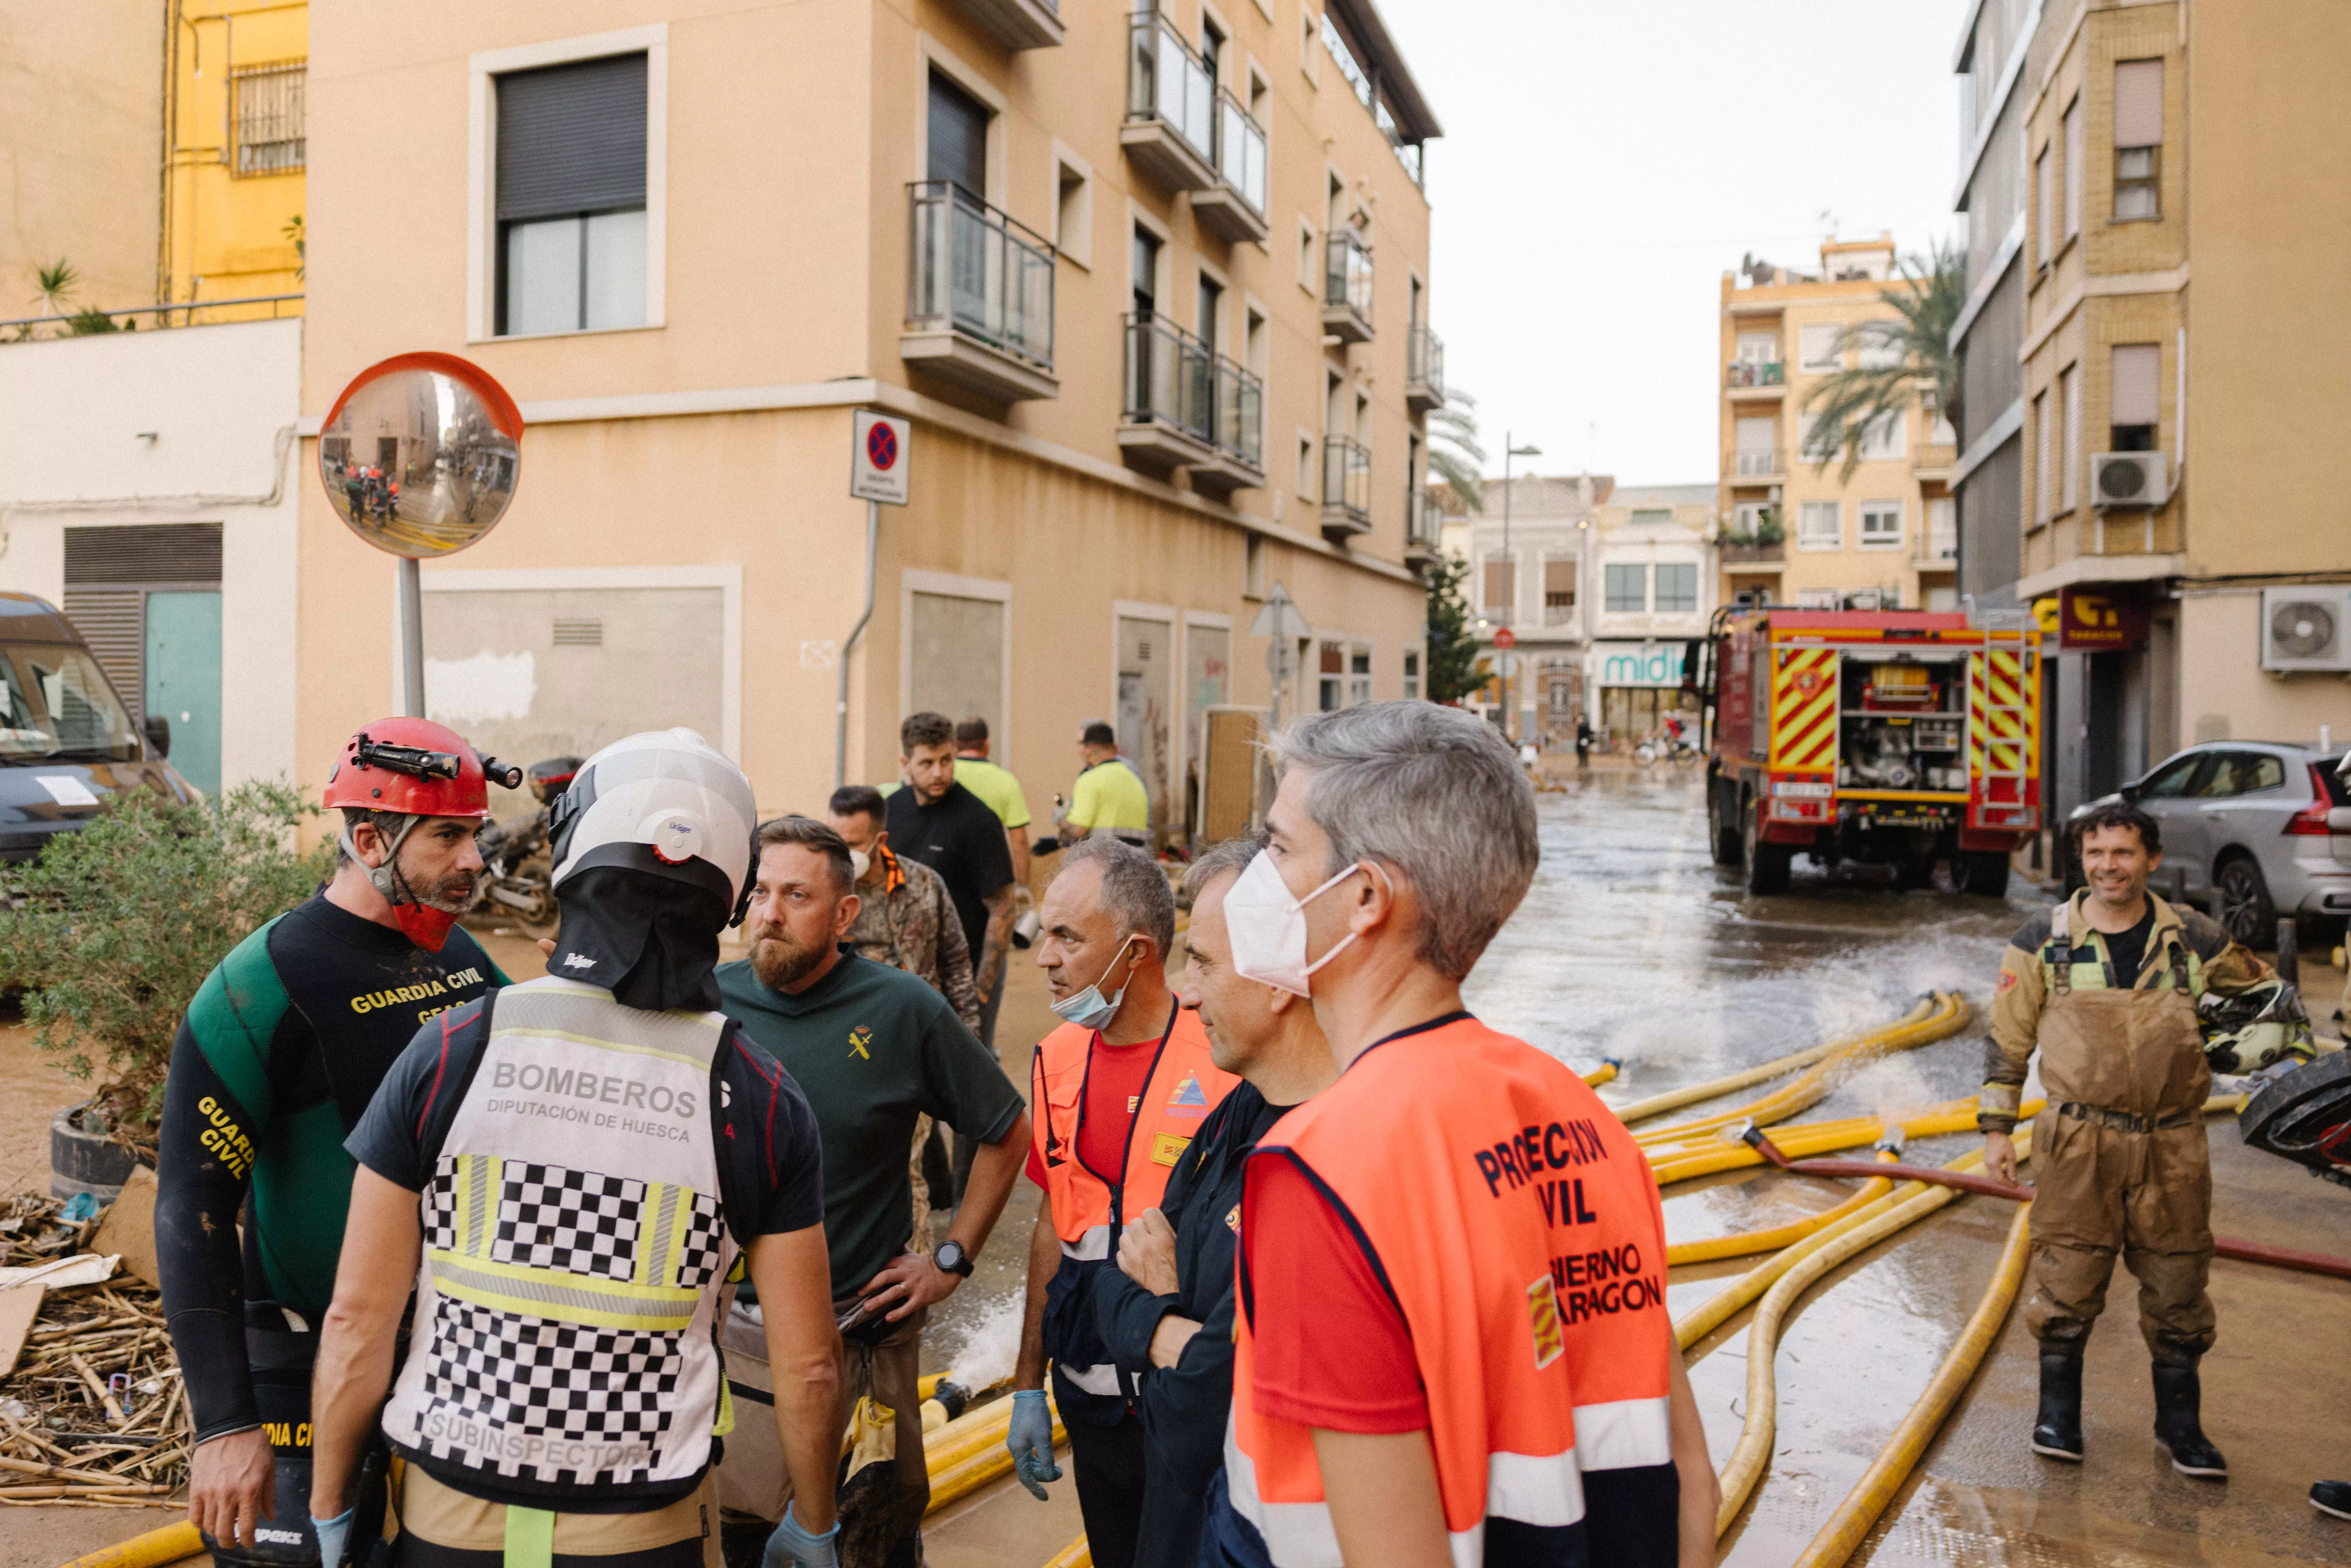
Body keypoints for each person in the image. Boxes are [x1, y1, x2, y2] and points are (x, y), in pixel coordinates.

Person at [306, 728, 843, 1568]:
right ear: (731, 896)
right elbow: (809, 1364)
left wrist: (330, 1501)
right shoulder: (758, 1094)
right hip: (644, 1529)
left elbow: (357, 1318)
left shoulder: (454, 1049)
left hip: (450, 1519)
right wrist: (813, 1522)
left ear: (569, 860)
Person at [1202, 701, 1714, 1568]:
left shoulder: (1320, 1170)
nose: (1257, 877)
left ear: (1365, 897)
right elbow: (1690, 1478)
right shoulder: (1580, 1118)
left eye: (1280, 847)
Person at [157, 717, 511, 1564]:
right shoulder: (261, 983)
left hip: (445, 1347)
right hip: (299, 1354)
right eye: (449, 835)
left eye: (477, 832)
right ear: (368, 838)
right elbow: (191, 1204)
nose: (475, 859)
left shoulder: (460, 957)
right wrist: (225, 1422)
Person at [716, 816, 1032, 1568]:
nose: (769, 913)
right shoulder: (710, 1002)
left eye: (796, 895)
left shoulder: (901, 1009)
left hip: (863, 1334)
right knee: (739, 1533)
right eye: (760, 892)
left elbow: (1005, 1129)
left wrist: (950, 1260)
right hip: (736, 1340)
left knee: (870, 1536)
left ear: (845, 914)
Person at [1980, 800, 2276, 1477]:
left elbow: (2267, 1002)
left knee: (2178, 1281)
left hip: (2172, 1143)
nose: (2107, 866)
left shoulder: (2195, 938)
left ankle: (2180, 1427)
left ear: (2150, 859)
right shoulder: (2041, 941)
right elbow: (2006, 1042)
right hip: (2078, 1140)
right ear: (2081, 860)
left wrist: (2240, 1047)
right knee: (2068, 1278)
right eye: (2095, 853)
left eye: (2121, 852)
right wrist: (1997, 1127)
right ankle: (2057, 1414)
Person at [1093, 832, 1337, 1568]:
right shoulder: (1239, 1109)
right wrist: (1178, 1333)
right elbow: (1113, 1274)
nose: (1183, 991)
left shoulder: (1328, 1167)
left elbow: (1193, 1421)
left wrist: (1155, 1313)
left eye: (1200, 960)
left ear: (1277, 980)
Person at [1008, 838, 1239, 1568]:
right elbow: (1054, 1222)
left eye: (1066, 937)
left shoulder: (1228, 1062)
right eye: (1045, 932)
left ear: (1135, 952)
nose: (1044, 956)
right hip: (1085, 1378)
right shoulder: (1057, 1056)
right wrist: (1026, 1386)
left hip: (1181, 1382)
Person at [885, 712, 1018, 1208]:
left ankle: (967, 1197)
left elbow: (1003, 906)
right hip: (909, 972)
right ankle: (936, 1191)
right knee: (911, 1079)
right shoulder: (890, 813)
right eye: (927, 763)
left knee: (965, 1083)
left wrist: (981, 989)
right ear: (906, 763)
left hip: (971, 968)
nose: (939, 772)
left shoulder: (977, 820)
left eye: (946, 760)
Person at [827, 785, 980, 1032]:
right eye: (836, 843)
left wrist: (969, 1032)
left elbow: (956, 962)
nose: (843, 854)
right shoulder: (828, 894)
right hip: (855, 1030)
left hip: (922, 1024)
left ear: (881, 841)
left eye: (853, 844)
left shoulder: (925, 884)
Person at [952, 717, 1034, 893]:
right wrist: (1023, 887)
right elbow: (1019, 841)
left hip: (949, 872)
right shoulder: (1006, 781)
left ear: (956, 744)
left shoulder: (943, 779)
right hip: (992, 877)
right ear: (987, 744)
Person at [1056, 721, 1151, 848]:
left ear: (1088, 750)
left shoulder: (1089, 779)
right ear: (1115, 749)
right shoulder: (1134, 778)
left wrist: (1060, 818)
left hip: (1105, 860)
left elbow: (1078, 830)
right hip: (1135, 860)